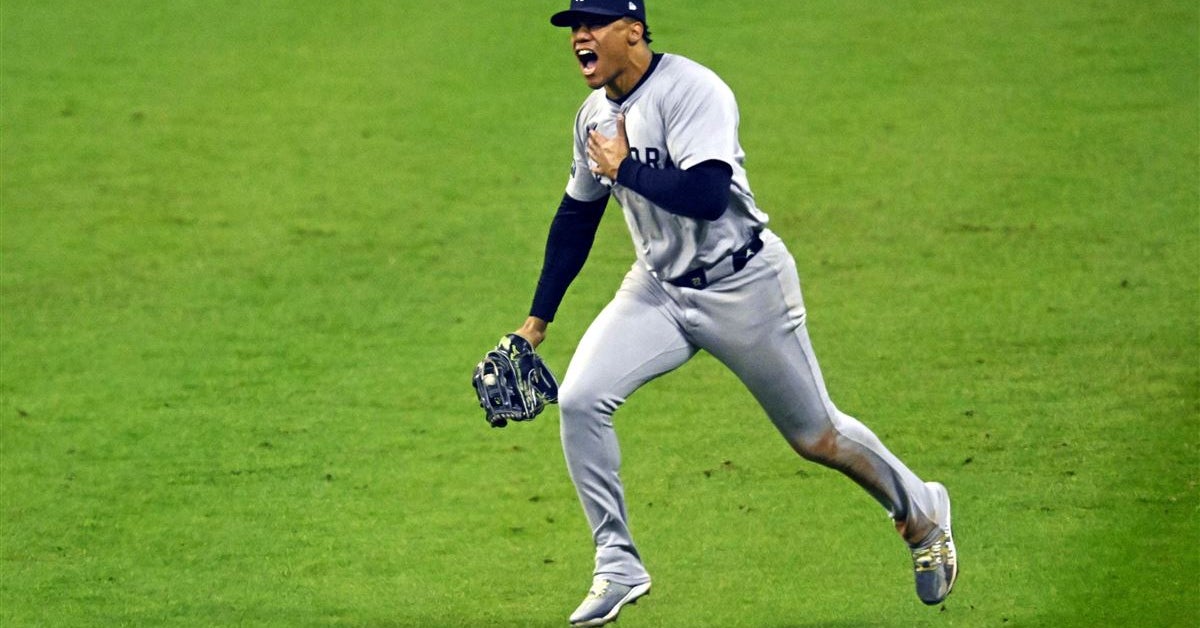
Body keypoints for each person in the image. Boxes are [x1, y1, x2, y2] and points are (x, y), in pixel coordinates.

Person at [512, 1, 958, 625]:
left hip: (744, 285)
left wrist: (626, 167)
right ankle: (617, 563)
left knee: (818, 437)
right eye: (573, 28)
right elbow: (577, 216)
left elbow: (707, 195)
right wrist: (536, 322)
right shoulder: (592, 116)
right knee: (582, 399)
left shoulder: (693, 91)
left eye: (593, 24)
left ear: (633, 31)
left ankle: (922, 512)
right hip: (657, 290)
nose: (579, 37)